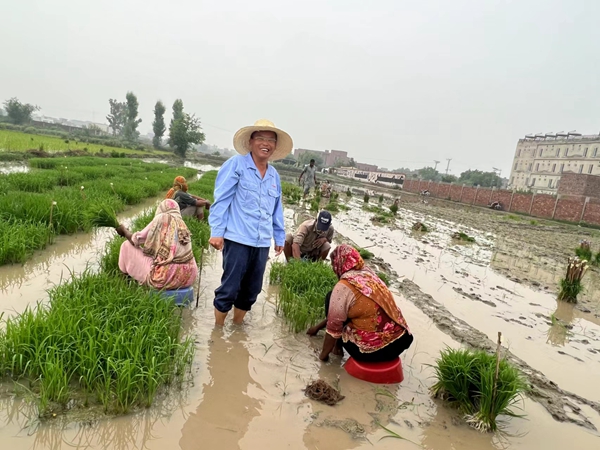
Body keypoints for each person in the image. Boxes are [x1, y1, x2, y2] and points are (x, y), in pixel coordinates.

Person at [208, 119, 292, 326]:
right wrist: (217, 231)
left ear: (274, 146)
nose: (266, 143)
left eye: (271, 140)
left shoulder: (274, 176)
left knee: (251, 290)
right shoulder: (236, 165)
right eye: (261, 138)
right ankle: (217, 332)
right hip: (237, 239)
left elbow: (276, 209)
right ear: (251, 141)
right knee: (229, 288)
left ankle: (237, 327)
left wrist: (279, 236)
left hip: (262, 242)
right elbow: (222, 200)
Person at [307, 244, 413, 362]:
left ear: (339, 263)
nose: (333, 268)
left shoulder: (343, 287)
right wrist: (317, 328)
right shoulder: (370, 275)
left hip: (373, 353)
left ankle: (337, 348)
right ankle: (338, 346)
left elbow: (334, 326)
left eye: (333, 264)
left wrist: (322, 358)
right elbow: (339, 315)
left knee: (330, 297)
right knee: (348, 309)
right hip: (401, 342)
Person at [116, 199, 198, 290]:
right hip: (189, 276)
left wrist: (123, 230)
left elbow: (136, 239)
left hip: (164, 278)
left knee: (126, 246)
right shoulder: (182, 224)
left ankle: (125, 284)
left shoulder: (161, 218)